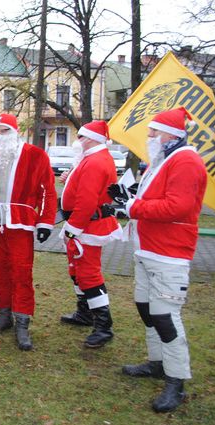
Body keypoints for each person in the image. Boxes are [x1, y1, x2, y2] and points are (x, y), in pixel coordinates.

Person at [103, 107, 207, 413]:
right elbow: (149, 197)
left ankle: (177, 381)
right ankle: (157, 362)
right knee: (147, 308)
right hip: (149, 250)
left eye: (154, 131)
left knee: (165, 316)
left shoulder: (186, 161)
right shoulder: (164, 160)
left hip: (169, 253)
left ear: (172, 135)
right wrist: (128, 197)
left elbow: (177, 207)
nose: (148, 136)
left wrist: (132, 209)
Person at [0, 113, 57, 350]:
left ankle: (23, 322)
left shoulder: (35, 155)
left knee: (21, 271)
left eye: (4, 130)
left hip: (21, 223)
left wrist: (46, 222)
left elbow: (48, 191)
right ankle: (4, 315)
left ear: (14, 132)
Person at [59, 120, 123, 348]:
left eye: (81, 137)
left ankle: (103, 326)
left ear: (93, 139)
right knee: (77, 270)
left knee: (89, 274)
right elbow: (84, 190)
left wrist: (73, 229)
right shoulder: (92, 159)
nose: (78, 141)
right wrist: (69, 182)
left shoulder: (95, 161)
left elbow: (86, 201)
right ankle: (85, 313)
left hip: (88, 227)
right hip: (85, 225)